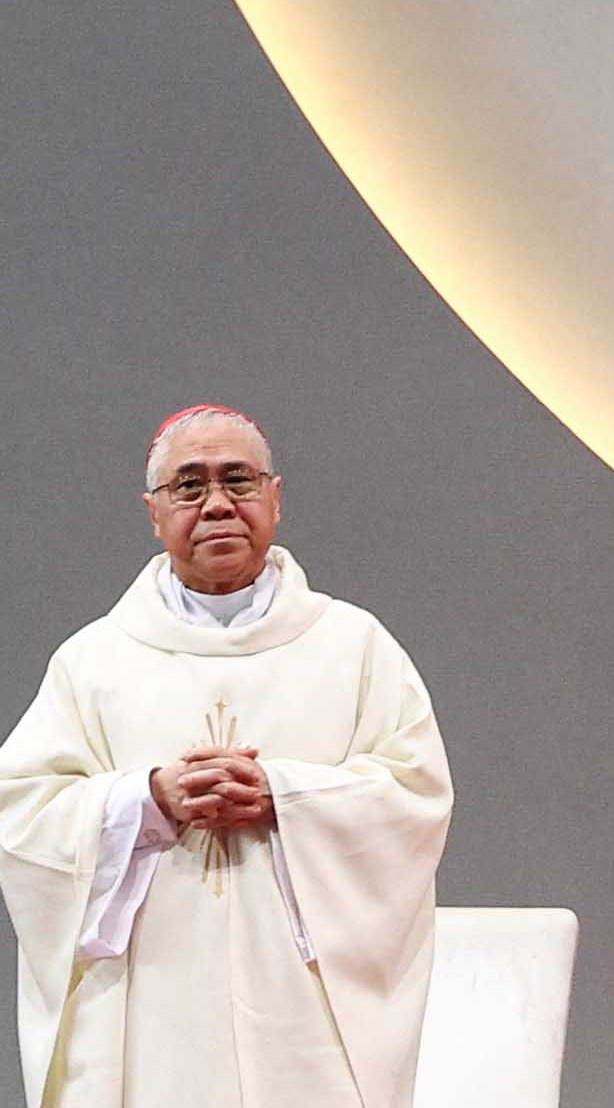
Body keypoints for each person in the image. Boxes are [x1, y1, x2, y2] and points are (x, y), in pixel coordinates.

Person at [0, 412, 450, 1108]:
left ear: (275, 498)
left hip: (302, 1017)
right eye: (189, 485)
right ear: (153, 514)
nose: (217, 503)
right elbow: (22, 817)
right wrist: (146, 800)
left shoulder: (354, 647)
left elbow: (414, 799)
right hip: (147, 1013)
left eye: (237, 479)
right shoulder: (94, 661)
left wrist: (284, 797)